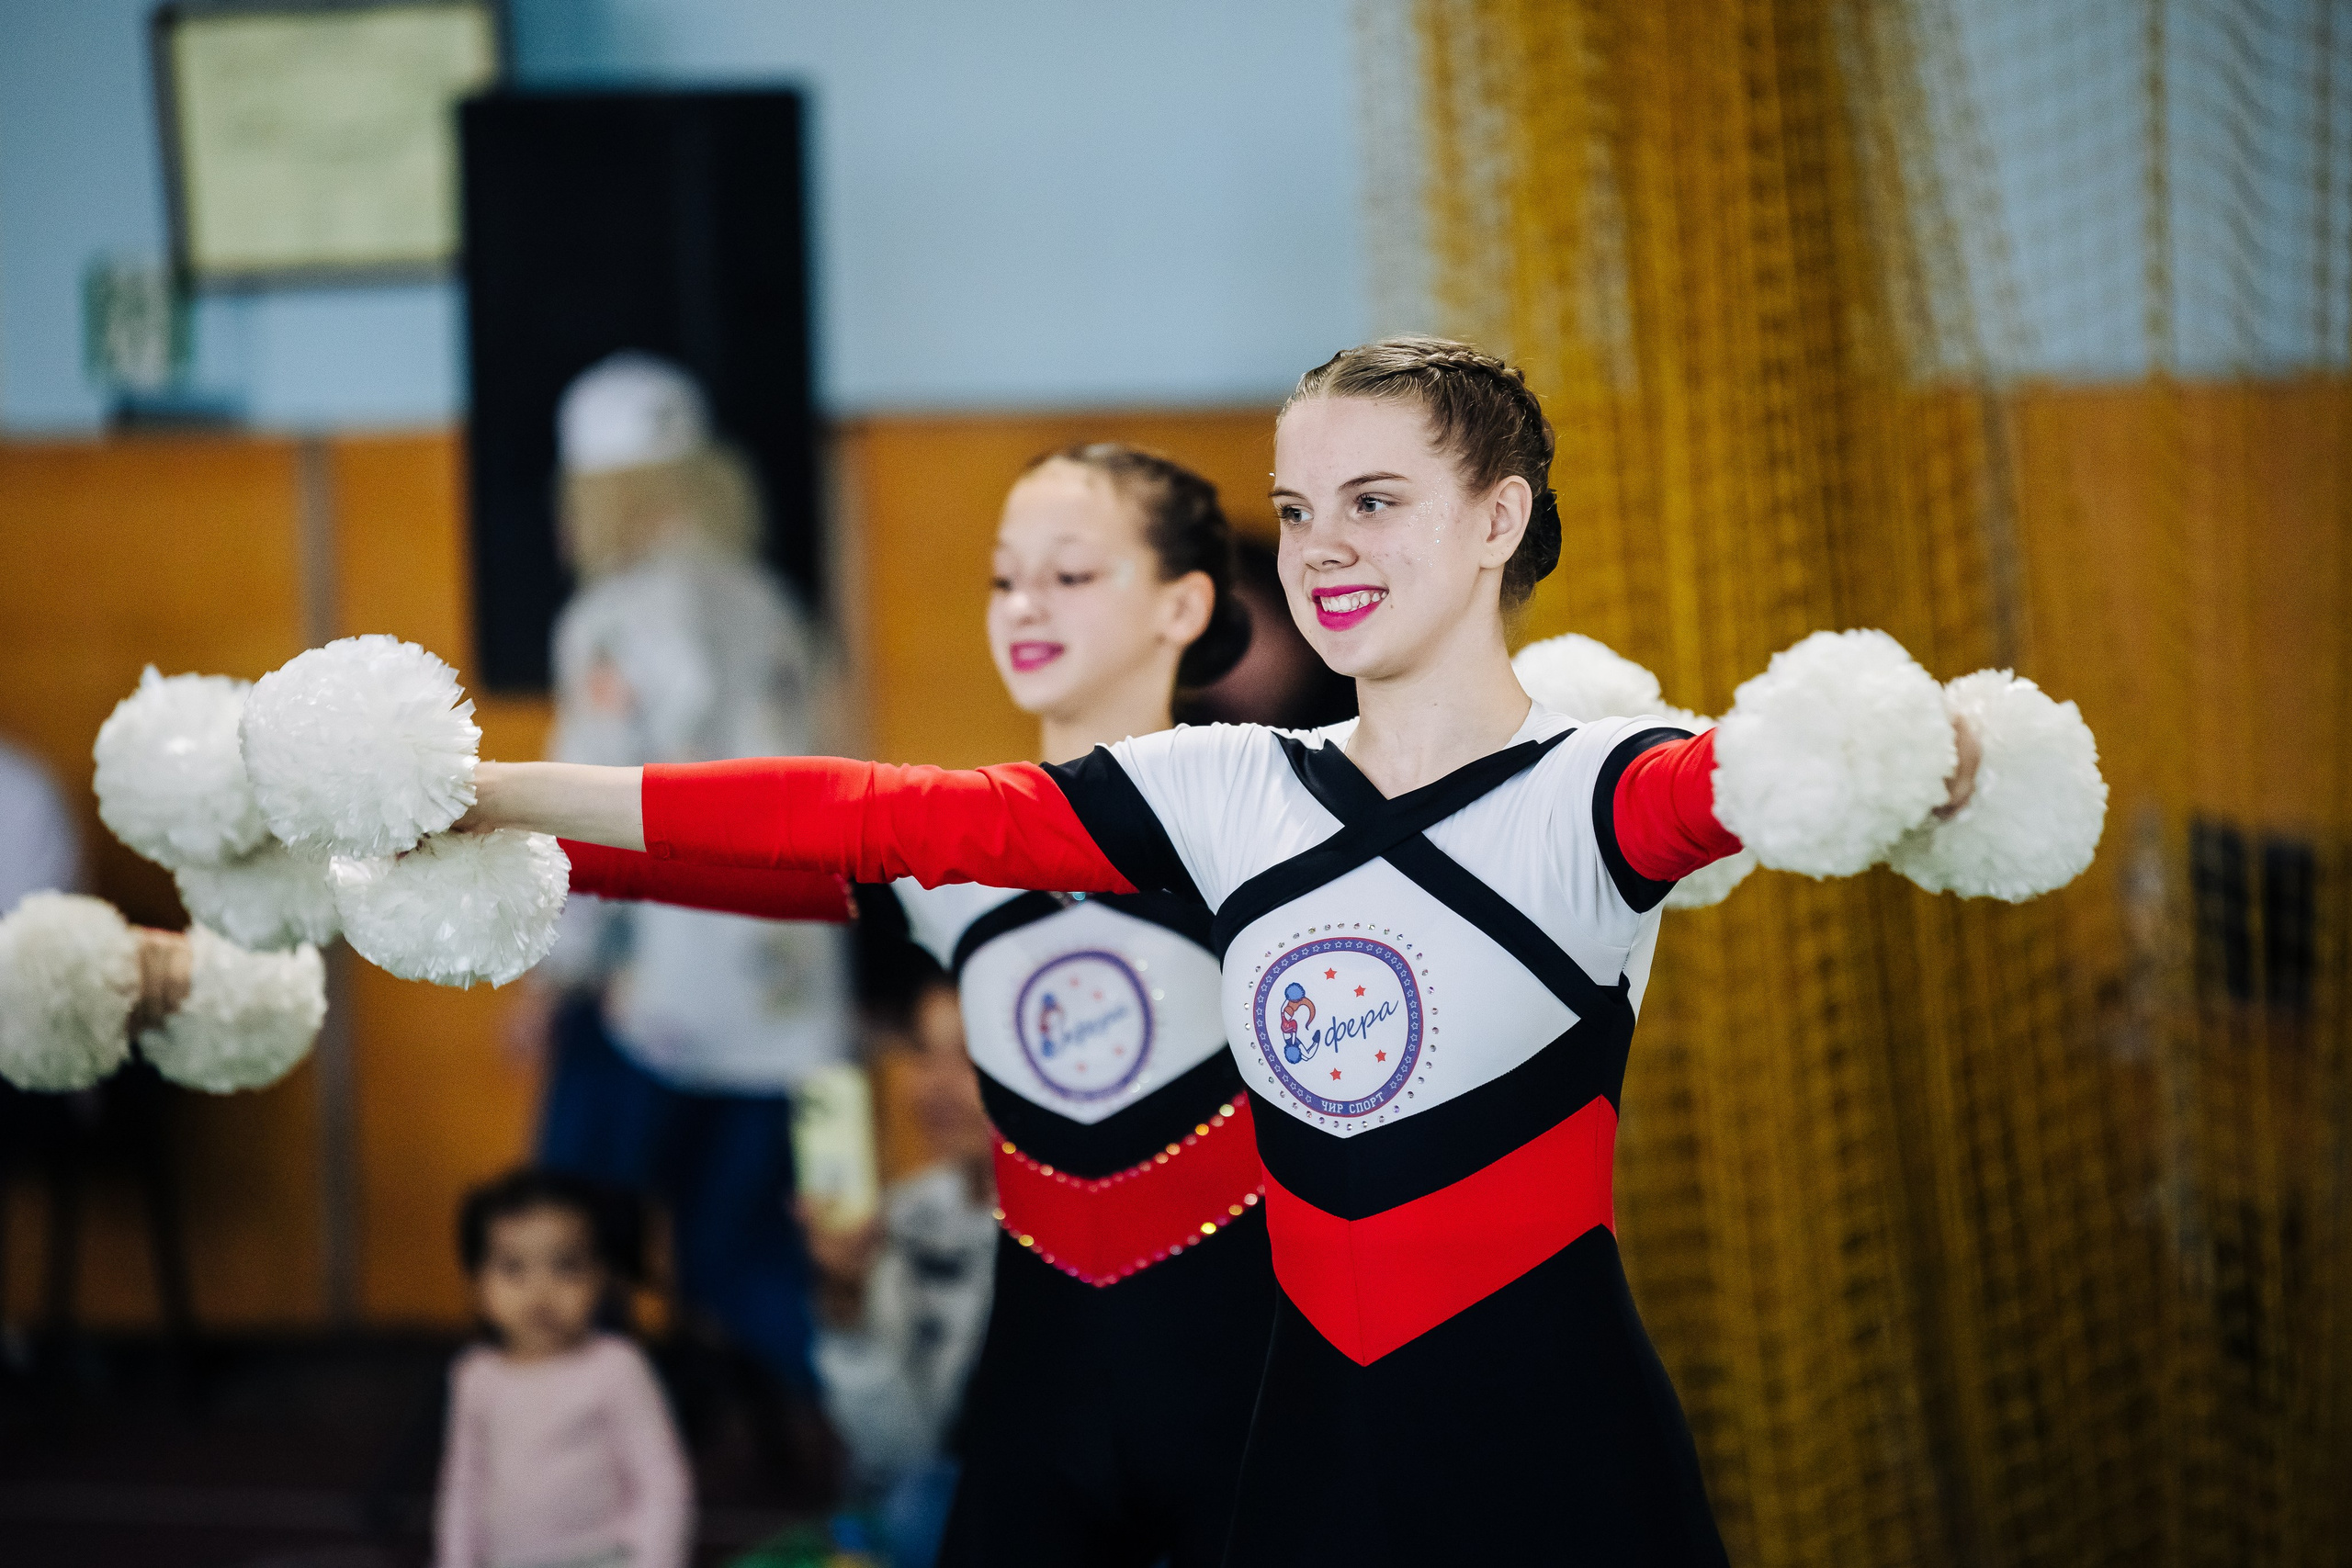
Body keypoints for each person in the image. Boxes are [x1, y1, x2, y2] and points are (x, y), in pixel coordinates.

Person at [411, 335, 2097, 1564]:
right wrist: (488, 789)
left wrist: (1942, 753)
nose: (1327, 547)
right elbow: (874, 812)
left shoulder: (1604, 786)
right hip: (1302, 1456)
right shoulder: (1225, 790)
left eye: (1377, 500)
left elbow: (1817, 767)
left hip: (1556, 1458)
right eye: (1298, 511)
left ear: (1498, 518)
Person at [557, 444, 1276, 1566]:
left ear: (1180, 606)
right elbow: (705, 847)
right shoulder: (961, 860)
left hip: (1236, 1405)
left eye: (1069, 574)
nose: (1024, 605)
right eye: (1003, 578)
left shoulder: (1273, 825)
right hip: (1032, 1425)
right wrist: (482, 822)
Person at [519, 351, 850, 1400]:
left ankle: (571, 1441)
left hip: (670, 1001)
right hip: (800, 1002)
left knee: (565, 1233)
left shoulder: (609, 620)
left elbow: (588, 819)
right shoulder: (774, 605)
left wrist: (554, 976)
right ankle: (886, 1435)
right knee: (759, 1261)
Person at [806, 976, 997, 1568]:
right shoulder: (906, 1216)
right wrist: (846, 1295)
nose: (934, 1083)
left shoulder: (1080, 1237)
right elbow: (898, 1445)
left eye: (969, 1057)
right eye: (922, 1050)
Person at [436, 1167, 694, 1568]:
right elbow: (463, 1488)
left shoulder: (617, 1367)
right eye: (513, 1268)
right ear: (479, 1283)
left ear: (600, 1276)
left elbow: (662, 1483)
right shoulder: (475, 1376)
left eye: (566, 1266)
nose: (540, 1291)